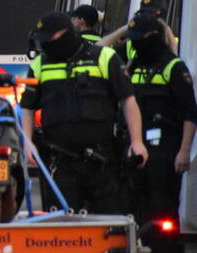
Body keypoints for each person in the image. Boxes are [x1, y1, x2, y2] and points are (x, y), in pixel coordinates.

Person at [19, 11, 148, 215]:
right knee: (62, 230)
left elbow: (128, 101)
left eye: (50, 39)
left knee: (111, 224)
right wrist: (27, 142)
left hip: (103, 159)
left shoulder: (104, 57)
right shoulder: (40, 64)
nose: (46, 44)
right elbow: (27, 107)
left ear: (67, 33)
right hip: (60, 162)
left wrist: (137, 141)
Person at [123, 11, 197, 253]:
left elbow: (190, 113)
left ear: (152, 39)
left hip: (166, 150)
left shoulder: (173, 67)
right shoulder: (135, 65)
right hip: (136, 148)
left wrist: (183, 151)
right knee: (136, 211)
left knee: (162, 212)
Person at [99, 0, 178, 57]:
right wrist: (128, 27)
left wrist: (165, 29)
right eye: (143, 14)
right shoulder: (132, 43)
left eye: (151, 15)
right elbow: (95, 49)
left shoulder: (175, 42)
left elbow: (176, 62)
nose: (145, 19)